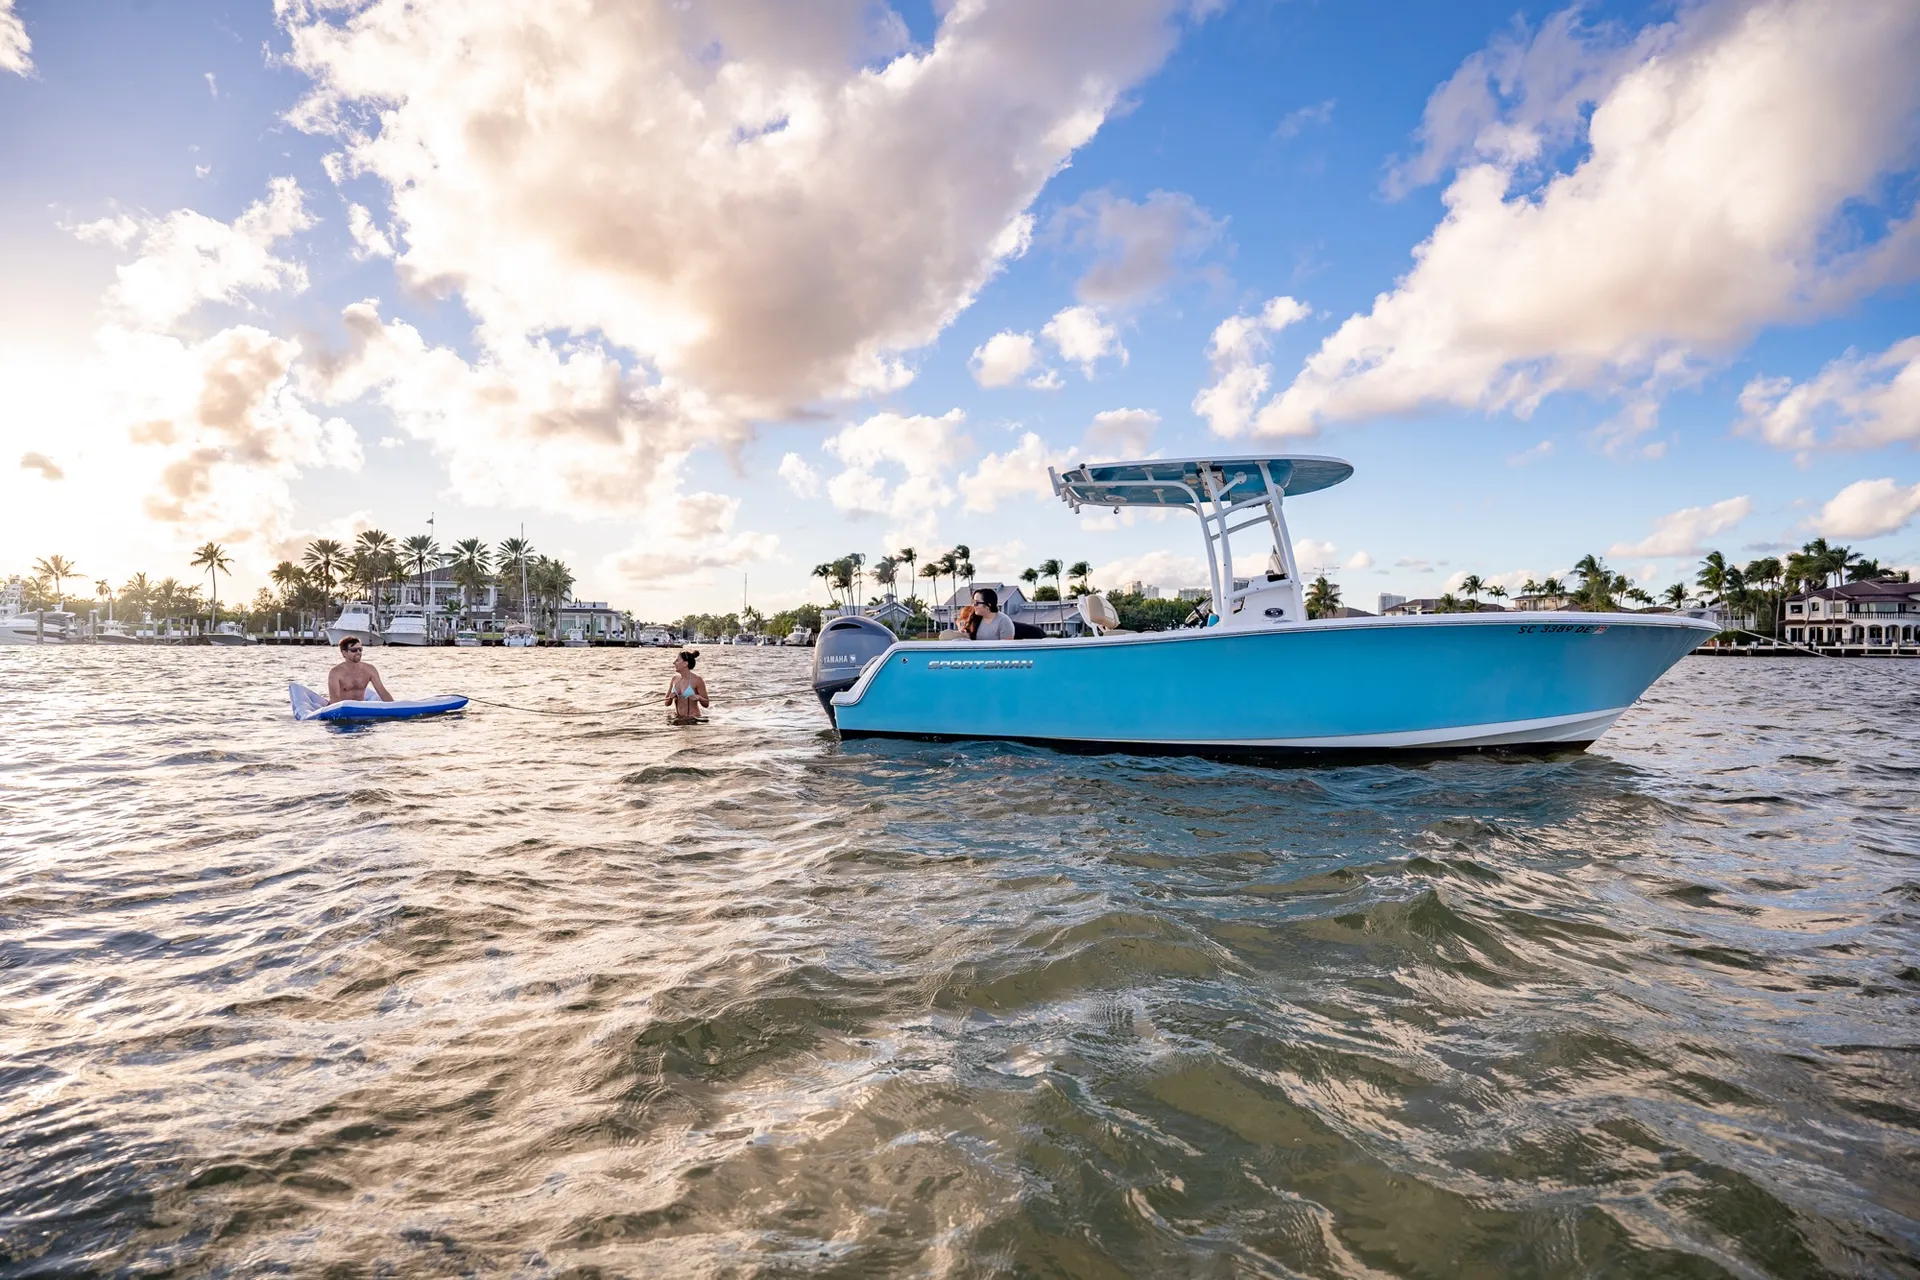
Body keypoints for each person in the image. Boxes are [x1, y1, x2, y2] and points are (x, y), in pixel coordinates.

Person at [327, 637, 392, 704]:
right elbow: (335, 698)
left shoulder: (370, 669)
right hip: (344, 708)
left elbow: (382, 691)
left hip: (359, 708)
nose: (358, 652)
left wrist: (393, 707)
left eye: (360, 649)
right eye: (354, 650)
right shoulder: (335, 672)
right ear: (344, 653)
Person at [666, 649, 710, 722]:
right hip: (678, 718)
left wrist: (699, 697)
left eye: (677, 661)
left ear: (685, 664)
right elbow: (666, 703)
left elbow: (706, 704)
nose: (674, 663)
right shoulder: (674, 679)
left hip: (693, 719)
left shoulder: (697, 680)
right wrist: (670, 698)